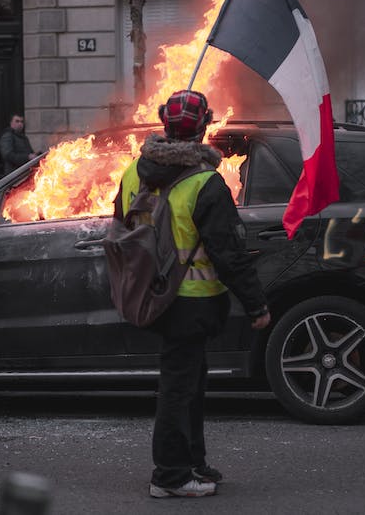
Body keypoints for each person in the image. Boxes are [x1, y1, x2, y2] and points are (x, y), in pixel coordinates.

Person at [114, 90, 271, 499]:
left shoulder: (134, 171)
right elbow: (229, 253)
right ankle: (169, 476)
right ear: (204, 129)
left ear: (164, 123)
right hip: (192, 301)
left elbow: (120, 225)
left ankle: (192, 463)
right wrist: (256, 305)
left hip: (152, 294)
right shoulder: (206, 182)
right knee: (180, 387)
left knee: (189, 382)